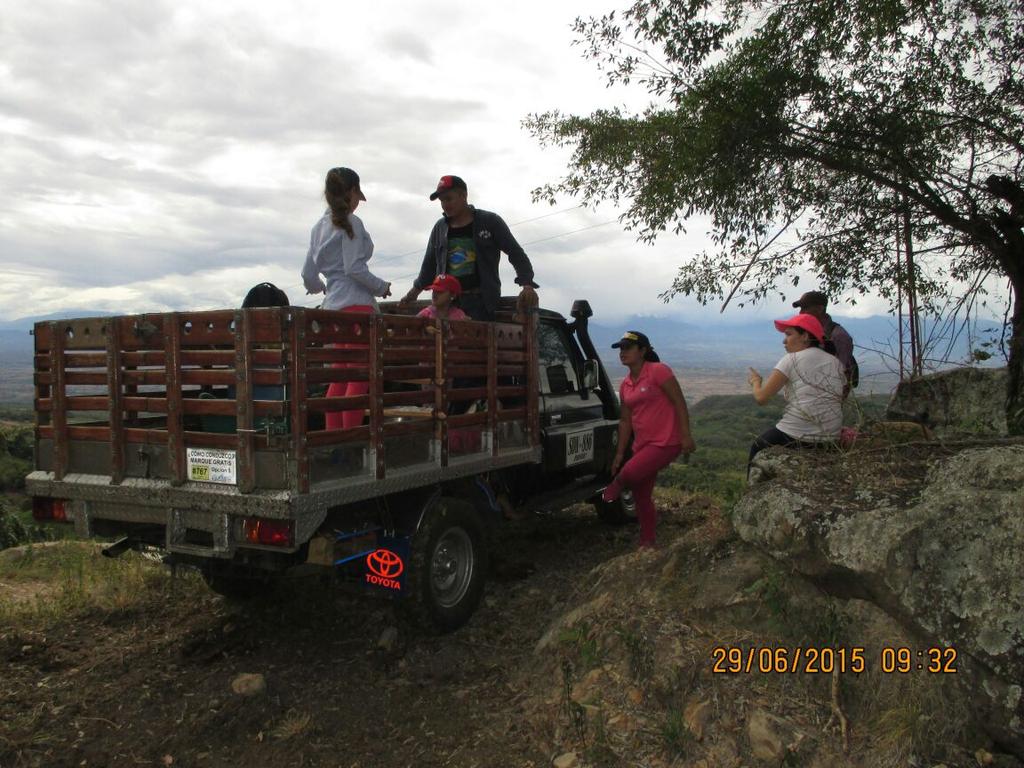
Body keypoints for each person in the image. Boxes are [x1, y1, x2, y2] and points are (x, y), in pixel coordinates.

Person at [301, 167, 391, 430]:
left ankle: (334, 437)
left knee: (339, 377)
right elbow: (354, 268)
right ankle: (350, 438)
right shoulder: (352, 222)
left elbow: (308, 274)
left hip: (332, 310)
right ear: (352, 192)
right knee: (358, 377)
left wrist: (321, 287)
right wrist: (381, 287)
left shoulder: (318, 228)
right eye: (357, 196)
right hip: (357, 307)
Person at [602, 331, 696, 548]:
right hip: (642, 445)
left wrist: (686, 435)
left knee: (629, 473)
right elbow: (625, 421)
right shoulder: (625, 384)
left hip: (667, 441)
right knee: (641, 495)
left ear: (643, 351)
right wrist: (619, 454)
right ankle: (648, 541)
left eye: (628, 347)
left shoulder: (658, 371)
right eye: (620, 348)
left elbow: (679, 402)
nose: (622, 352)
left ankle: (613, 489)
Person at [400, 174, 538, 321]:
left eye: (449, 199)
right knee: (442, 335)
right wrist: (413, 293)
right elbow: (429, 266)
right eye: (441, 201)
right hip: (447, 302)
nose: (445, 205)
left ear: (463, 196)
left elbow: (515, 253)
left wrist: (527, 284)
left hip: (480, 302)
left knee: (474, 335)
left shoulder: (489, 222)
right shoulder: (440, 228)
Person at [747, 314, 845, 472]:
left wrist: (755, 381)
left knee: (758, 446)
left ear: (805, 336)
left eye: (789, 334)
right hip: (830, 438)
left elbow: (761, 398)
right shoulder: (835, 362)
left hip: (796, 435)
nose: (784, 341)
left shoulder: (791, 359)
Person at [792, 291, 855, 388]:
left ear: (819, 309)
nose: (801, 313)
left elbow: (841, 372)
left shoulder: (839, 336)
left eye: (805, 308)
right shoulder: (806, 333)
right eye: (800, 309)